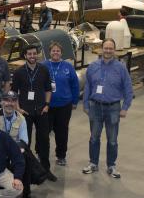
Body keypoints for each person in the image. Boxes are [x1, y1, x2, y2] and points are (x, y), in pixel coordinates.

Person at [82, 38, 134, 179]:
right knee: (94, 137)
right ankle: (93, 163)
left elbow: (128, 88)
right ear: (101, 49)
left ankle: (111, 165)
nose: (108, 51)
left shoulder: (121, 68)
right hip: (95, 107)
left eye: (111, 48)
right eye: (106, 48)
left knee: (112, 139)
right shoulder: (93, 66)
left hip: (113, 108)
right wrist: (85, 104)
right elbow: (88, 86)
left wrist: (125, 107)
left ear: (114, 50)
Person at [11, 45, 54, 198]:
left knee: (44, 140)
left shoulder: (43, 70)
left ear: (38, 55)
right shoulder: (19, 72)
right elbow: (13, 93)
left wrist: (47, 105)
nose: (32, 56)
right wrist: (18, 109)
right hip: (25, 112)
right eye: (29, 53)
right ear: (25, 55)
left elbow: (48, 89)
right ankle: (26, 179)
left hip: (41, 110)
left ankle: (45, 170)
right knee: (25, 145)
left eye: (34, 53)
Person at [43, 41, 80, 166]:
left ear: (61, 53)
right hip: (47, 106)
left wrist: (75, 101)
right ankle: (42, 154)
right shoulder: (43, 65)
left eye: (58, 51)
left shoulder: (68, 67)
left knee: (62, 132)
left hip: (64, 106)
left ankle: (61, 155)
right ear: (50, 52)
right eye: (53, 50)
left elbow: (75, 85)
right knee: (43, 132)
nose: (55, 53)